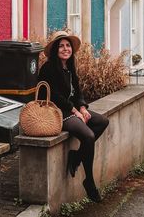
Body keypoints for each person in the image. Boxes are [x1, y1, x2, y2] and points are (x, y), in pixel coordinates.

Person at [38, 30, 109, 202]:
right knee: (88, 135)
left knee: (101, 121)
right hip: (57, 112)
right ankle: (89, 182)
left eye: (68, 46)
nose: (65, 49)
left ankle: (76, 156)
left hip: (71, 110)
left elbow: (77, 92)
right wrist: (74, 111)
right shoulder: (49, 68)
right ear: (55, 50)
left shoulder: (69, 67)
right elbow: (55, 96)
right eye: (61, 46)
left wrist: (83, 107)